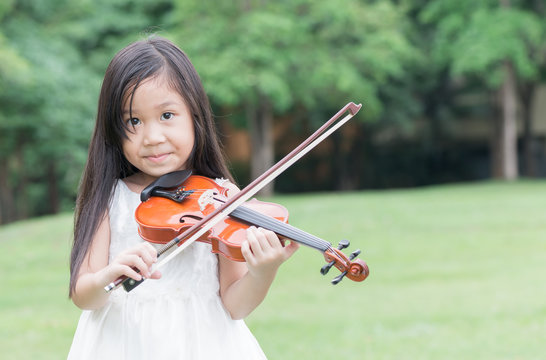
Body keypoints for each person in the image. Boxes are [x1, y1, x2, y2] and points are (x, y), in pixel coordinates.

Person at [67, 35, 299, 359]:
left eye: (166, 116)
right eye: (133, 121)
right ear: (113, 130)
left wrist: (263, 271)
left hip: (205, 343)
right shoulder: (110, 199)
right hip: (124, 344)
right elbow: (82, 294)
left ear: (194, 115)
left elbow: (235, 305)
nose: (152, 137)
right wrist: (107, 277)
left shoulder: (221, 199)